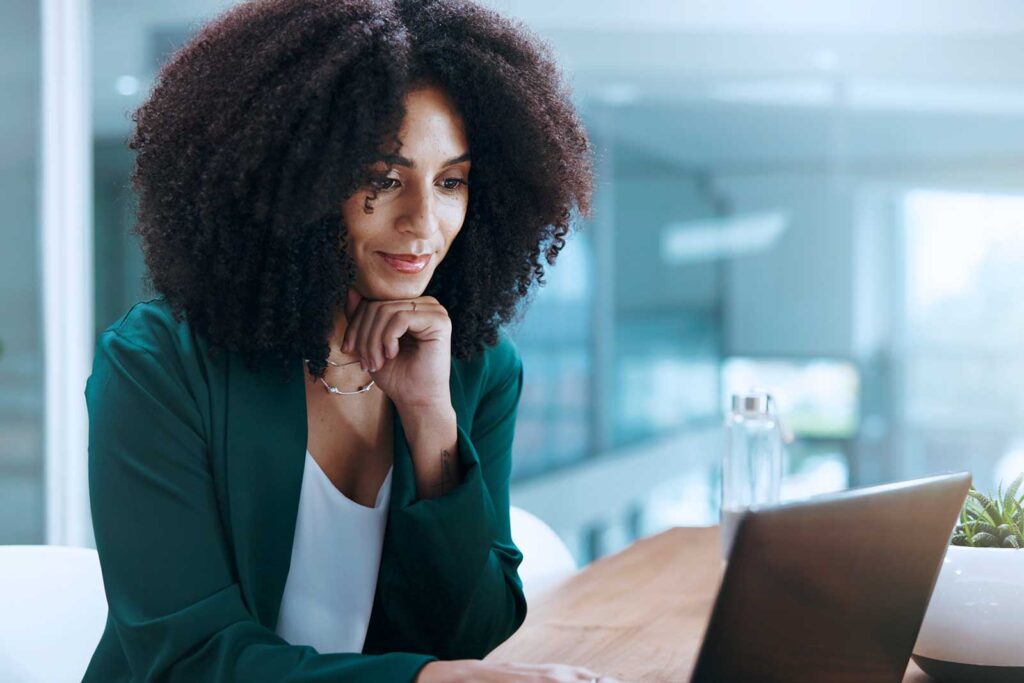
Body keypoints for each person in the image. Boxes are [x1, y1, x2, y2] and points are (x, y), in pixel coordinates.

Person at [83, 0, 619, 681]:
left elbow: (475, 633)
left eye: (451, 181)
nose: (424, 222)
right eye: (383, 179)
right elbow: (186, 657)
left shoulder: (474, 368)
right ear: (294, 179)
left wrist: (431, 422)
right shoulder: (157, 365)